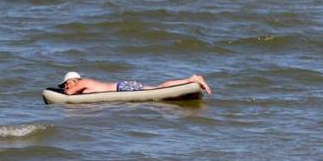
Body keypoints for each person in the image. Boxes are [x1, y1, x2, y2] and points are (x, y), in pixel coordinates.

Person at [59, 71, 212, 95]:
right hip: (122, 86)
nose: (66, 86)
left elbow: (68, 95)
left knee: (158, 89)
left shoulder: (80, 82)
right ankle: (189, 81)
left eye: (66, 83)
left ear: (72, 80)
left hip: (121, 88)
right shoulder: (85, 82)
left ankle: (191, 79)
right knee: (156, 88)